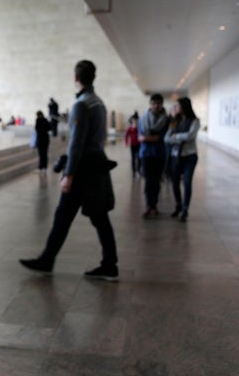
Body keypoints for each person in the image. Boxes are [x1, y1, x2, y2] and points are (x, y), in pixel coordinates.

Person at [19, 60, 118, 281]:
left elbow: (76, 143)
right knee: (96, 216)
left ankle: (49, 259)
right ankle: (108, 263)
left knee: (67, 215)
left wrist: (69, 174)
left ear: (76, 78)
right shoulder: (98, 102)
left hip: (83, 169)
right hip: (95, 164)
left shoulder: (81, 104)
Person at [165, 97, 200, 222]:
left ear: (184, 107)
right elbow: (166, 138)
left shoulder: (195, 121)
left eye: (177, 106)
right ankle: (178, 205)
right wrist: (179, 138)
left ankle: (185, 209)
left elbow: (191, 136)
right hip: (176, 156)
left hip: (190, 156)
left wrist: (176, 136)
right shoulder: (175, 121)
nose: (175, 108)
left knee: (187, 182)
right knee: (174, 182)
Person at [138, 93, 168, 218]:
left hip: (159, 154)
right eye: (154, 103)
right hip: (146, 154)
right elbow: (140, 137)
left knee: (156, 181)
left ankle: (154, 204)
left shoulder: (166, 120)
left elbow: (162, 138)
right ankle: (148, 205)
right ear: (150, 104)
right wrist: (151, 138)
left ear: (162, 104)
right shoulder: (143, 118)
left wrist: (147, 138)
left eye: (159, 103)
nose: (156, 106)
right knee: (148, 180)